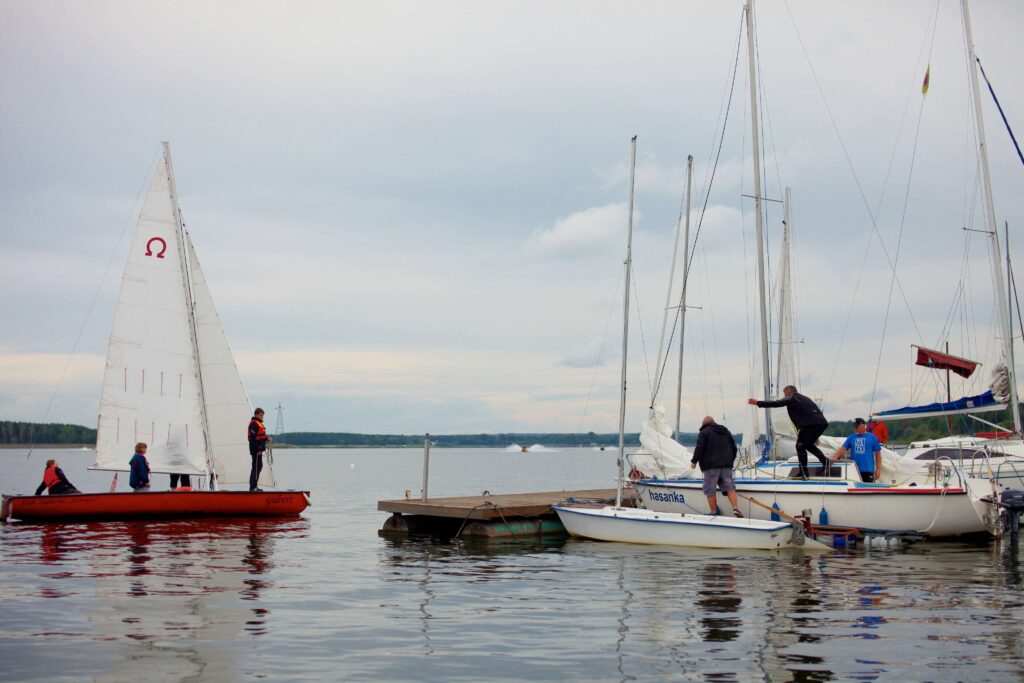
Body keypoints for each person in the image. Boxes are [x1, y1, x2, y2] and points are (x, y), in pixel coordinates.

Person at [748, 385, 829, 478]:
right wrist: (814, 434)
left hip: (810, 425)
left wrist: (758, 403)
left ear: (789, 392)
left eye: (785, 394)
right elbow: (810, 413)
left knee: (800, 447)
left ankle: (804, 473)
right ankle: (826, 462)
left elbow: (776, 403)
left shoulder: (792, 397)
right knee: (807, 445)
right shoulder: (804, 398)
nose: (784, 396)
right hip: (821, 423)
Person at [690, 416, 743, 517]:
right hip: (726, 465)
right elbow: (734, 448)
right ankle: (735, 508)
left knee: (710, 489)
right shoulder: (725, 431)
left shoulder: (704, 432)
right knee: (730, 487)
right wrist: (730, 460)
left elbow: (699, 447)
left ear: (704, 424)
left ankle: (713, 511)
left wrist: (694, 461)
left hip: (711, 466)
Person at [832, 418, 882, 483]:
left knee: (866, 490)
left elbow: (878, 454)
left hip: (867, 470)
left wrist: (878, 469)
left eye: (856, 426)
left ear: (863, 425)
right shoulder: (851, 437)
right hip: (854, 470)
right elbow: (843, 449)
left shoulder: (872, 437)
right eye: (854, 426)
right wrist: (835, 457)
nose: (855, 428)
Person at [248, 408, 271, 492]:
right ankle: (253, 487)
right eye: (261, 415)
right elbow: (253, 439)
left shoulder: (259, 424)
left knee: (259, 466)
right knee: (256, 467)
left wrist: (266, 438)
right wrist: (258, 449)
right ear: (256, 414)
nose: (262, 417)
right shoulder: (254, 424)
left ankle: (255, 486)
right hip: (256, 450)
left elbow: (260, 437)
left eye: (263, 415)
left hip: (259, 450)